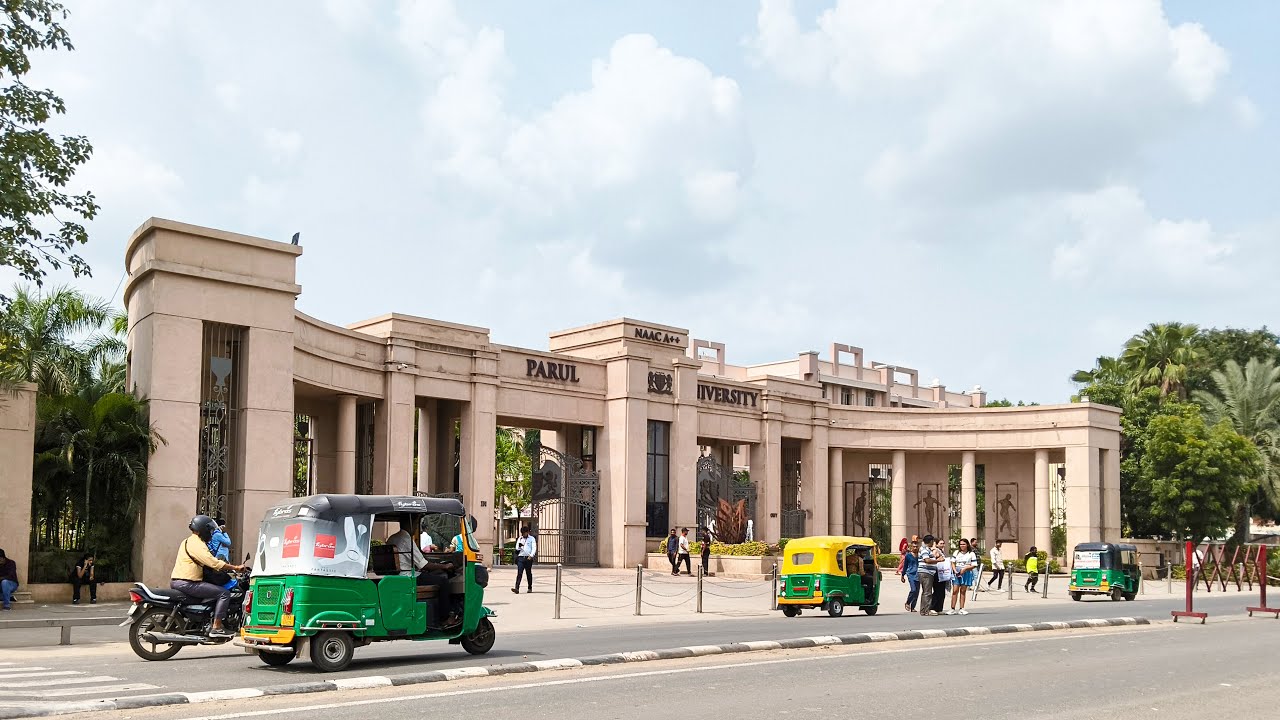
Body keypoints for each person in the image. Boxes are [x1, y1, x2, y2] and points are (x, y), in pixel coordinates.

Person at [171, 515, 246, 637]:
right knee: (224, 593)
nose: (211, 533)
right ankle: (216, 627)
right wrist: (236, 568)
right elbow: (213, 562)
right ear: (203, 529)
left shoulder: (187, 541)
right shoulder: (197, 544)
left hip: (180, 581)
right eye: (210, 530)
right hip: (188, 582)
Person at [387, 518, 459, 628]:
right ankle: (445, 618)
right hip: (408, 578)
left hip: (398, 576)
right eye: (416, 524)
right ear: (410, 524)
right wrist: (445, 566)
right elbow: (423, 565)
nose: (417, 527)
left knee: (434, 576)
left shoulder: (393, 538)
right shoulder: (406, 539)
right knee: (443, 581)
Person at [917, 535, 943, 616]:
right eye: (933, 541)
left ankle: (923, 610)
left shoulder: (927, 549)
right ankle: (926, 610)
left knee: (925, 592)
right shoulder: (924, 549)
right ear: (930, 541)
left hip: (928, 572)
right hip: (926, 572)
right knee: (927, 592)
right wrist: (937, 560)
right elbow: (927, 560)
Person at [948, 539, 976, 615]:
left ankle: (962, 608)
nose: (962, 546)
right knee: (955, 590)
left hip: (966, 572)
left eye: (963, 544)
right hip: (957, 572)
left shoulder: (971, 553)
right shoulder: (956, 552)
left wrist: (966, 568)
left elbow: (974, 565)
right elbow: (953, 562)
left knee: (963, 591)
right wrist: (954, 570)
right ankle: (952, 608)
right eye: (961, 544)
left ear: (967, 545)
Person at [512, 525, 536, 594]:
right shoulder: (520, 539)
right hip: (521, 557)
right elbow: (517, 549)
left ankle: (529, 587)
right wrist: (519, 546)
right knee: (519, 573)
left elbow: (534, 547)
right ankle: (517, 588)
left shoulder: (531, 539)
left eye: (525, 533)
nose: (523, 534)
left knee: (528, 573)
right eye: (522, 533)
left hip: (528, 558)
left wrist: (531, 555)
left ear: (527, 532)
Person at [932, 545, 953, 615]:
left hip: (943, 574)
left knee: (942, 592)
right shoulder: (934, 550)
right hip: (937, 573)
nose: (943, 545)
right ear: (937, 544)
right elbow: (933, 559)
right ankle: (932, 607)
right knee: (937, 591)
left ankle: (939, 608)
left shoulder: (942, 552)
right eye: (941, 543)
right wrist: (937, 556)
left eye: (943, 543)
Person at [901, 539, 920, 612]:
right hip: (911, 574)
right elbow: (905, 566)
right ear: (911, 547)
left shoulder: (920, 555)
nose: (915, 548)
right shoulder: (908, 556)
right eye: (914, 547)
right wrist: (902, 575)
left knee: (917, 591)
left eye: (916, 546)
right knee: (913, 589)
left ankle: (913, 607)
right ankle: (908, 602)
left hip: (918, 574)